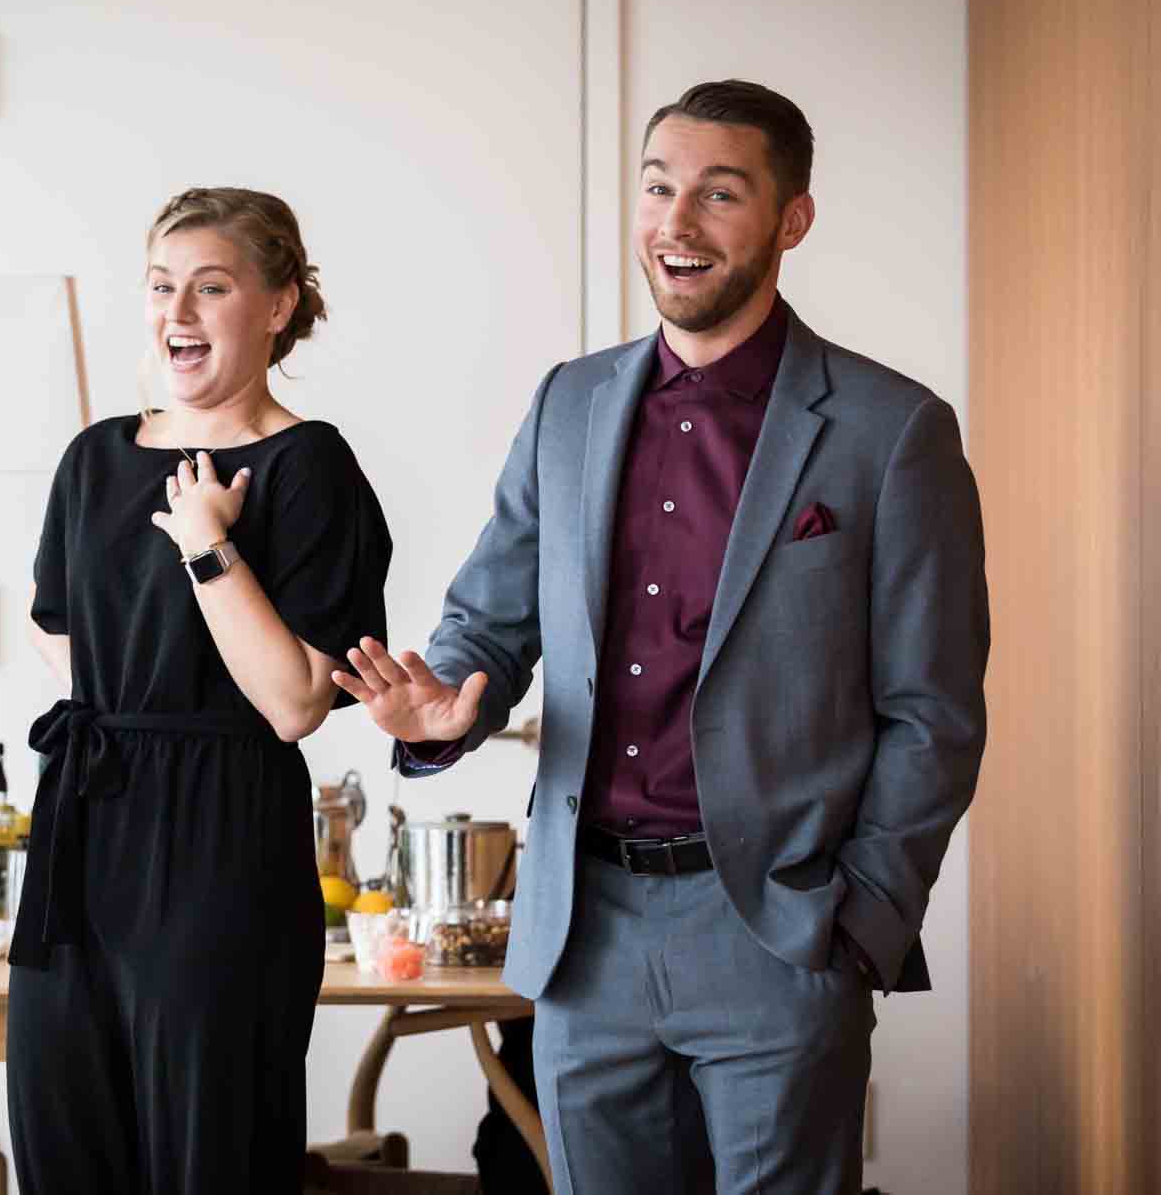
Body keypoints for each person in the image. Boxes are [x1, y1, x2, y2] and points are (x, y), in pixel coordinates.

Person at [334, 81, 989, 1195]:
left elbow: (931, 712)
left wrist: (856, 924)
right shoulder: (569, 403)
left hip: (777, 928)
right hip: (585, 935)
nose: (674, 223)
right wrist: (446, 706)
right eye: (656, 186)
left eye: (717, 193)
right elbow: (486, 618)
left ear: (790, 220)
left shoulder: (891, 431)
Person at [7, 186, 392, 1192]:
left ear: (275, 306)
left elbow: (294, 701)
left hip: (219, 844)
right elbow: (57, 629)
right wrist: (135, 708)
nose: (176, 312)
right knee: (62, 1138)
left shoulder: (308, 467)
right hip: (85, 832)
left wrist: (207, 546)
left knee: (203, 1151)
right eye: (160, 285)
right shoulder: (93, 459)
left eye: (210, 287)